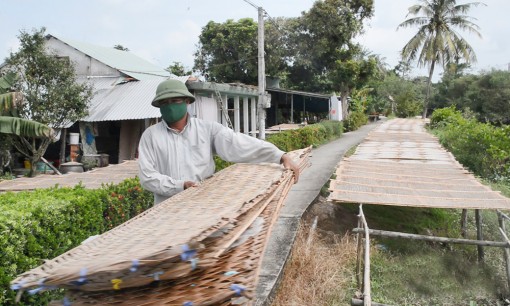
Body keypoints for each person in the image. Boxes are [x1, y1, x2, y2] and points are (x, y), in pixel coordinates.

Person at [138, 79, 300, 205]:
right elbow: (147, 177)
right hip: (166, 215)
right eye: (165, 103)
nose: (170, 106)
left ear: (187, 101)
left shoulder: (207, 130)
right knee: (173, 249)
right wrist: (180, 186)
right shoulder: (151, 136)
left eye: (175, 101)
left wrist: (279, 156)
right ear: (159, 106)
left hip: (203, 208)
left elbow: (239, 144)